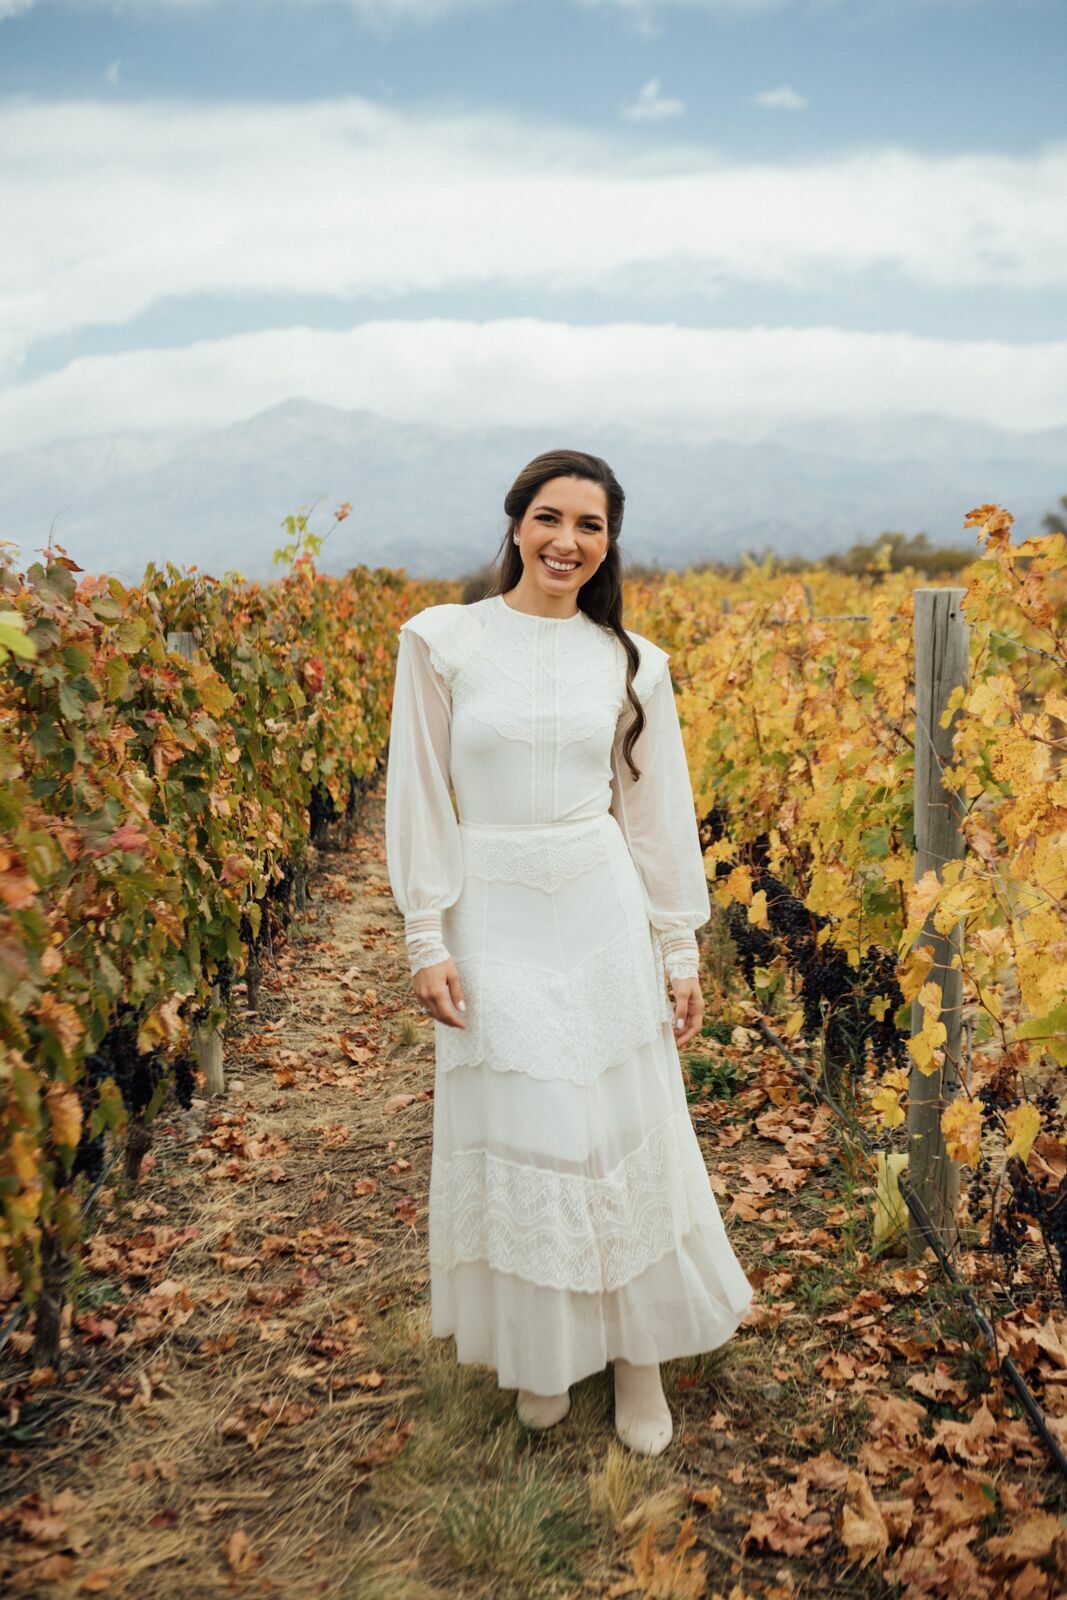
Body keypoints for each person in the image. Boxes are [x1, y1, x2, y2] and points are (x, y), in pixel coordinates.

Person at [384, 449, 754, 1456]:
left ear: (607, 542)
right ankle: (542, 1355)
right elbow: (418, 793)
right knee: (523, 1124)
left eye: (589, 525)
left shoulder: (632, 660)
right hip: (489, 907)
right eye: (548, 517)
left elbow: (651, 811)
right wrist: (426, 931)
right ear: (513, 523)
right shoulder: (440, 642)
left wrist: (677, 946)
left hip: (597, 903)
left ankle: (637, 1359)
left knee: (612, 1125)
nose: (566, 541)